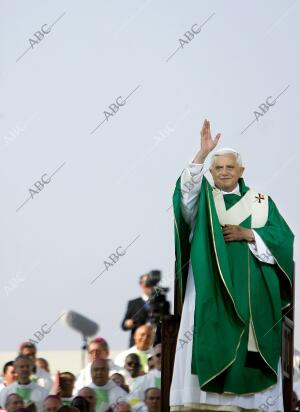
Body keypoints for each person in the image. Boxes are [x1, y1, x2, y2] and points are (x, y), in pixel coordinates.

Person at [170, 119, 294, 411]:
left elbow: (284, 239)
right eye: (217, 167)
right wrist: (201, 155)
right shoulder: (205, 199)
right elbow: (185, 198)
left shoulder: (261, 201)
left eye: (229, 167)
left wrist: (249, 234)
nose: (224, 172)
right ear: (210, 173)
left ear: (241, 171)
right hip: (208, 290)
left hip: (252, 297)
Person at [121, 275, 152, 347]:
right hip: (137, 344)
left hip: (155, 344)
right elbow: (124, 325)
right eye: (147, 283)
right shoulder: (133, 303)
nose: (149, 285)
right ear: (141, 284)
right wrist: (128, 323)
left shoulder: (160, 303)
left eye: (151, 283)